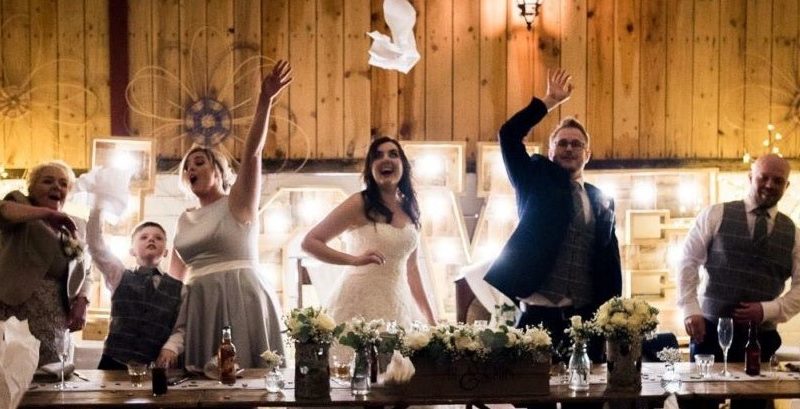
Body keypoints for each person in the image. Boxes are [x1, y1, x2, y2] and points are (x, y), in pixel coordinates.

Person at [158, 60, 292, 371]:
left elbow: (253, 153)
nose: (191, 169)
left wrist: (265, 100)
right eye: (187, 167)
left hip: (240, 295)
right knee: (203, 380)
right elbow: (173, 281)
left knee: (244, 375)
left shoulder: (238, 202)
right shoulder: (184, 219)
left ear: (218, 171)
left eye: (200, 163)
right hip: (200, 304)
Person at [483, 69, 622, 361]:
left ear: (587, 154)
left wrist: (612, 315)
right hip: (536, 318)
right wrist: (549, 101)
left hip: (583, 321)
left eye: (576, 144)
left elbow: (610, 262)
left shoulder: (602, 199)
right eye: (562, 143)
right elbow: (508, 135)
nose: (569, 148)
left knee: (586, 391)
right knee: (532, 389)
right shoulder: (533, 177)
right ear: (550, 152)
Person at [301, 136, 436, 331]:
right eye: (378, 156)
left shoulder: (411, 208)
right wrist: (354, 260)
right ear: (371, 169)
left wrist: (431, 320)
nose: (386, 159)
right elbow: (310, 242)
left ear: (403, 165)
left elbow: (412, 268)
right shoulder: (359, 203)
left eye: (393, 154)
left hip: (396, 305)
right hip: (358, 304)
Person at [679, 154, 800, 367]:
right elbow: (688, 262)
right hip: (709, 332)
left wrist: (767, 310)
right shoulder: (715, 214)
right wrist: (690, 308)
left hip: (761, 339)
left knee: (756, 390)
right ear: (750, 177)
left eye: (778, 180)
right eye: (763, 177)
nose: (770, 185)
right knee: (702, 389)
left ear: (786, 186)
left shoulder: (795, 235)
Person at [0, 160, 92, 366]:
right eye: (48, 181)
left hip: (55, 318)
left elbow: (87, 269)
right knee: (13, 371)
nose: (56, 187)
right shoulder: (19, 205)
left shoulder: (75, 225)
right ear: (32, 187)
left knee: (51, 373)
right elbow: (3, 210)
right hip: (16, 312)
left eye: (63, 184)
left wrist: (82, 300)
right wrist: (48, 213)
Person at [86, 207, 182, 370]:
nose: (151, 239)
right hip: (113, 362)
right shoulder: (118, 274)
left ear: (166, 252)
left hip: (152, 368)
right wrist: (98, 208)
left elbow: (180, 327)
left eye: (158, 238)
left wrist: (171, 347)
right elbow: (96, 245)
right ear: (131, 250)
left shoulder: (179, 288)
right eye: (144, 237)